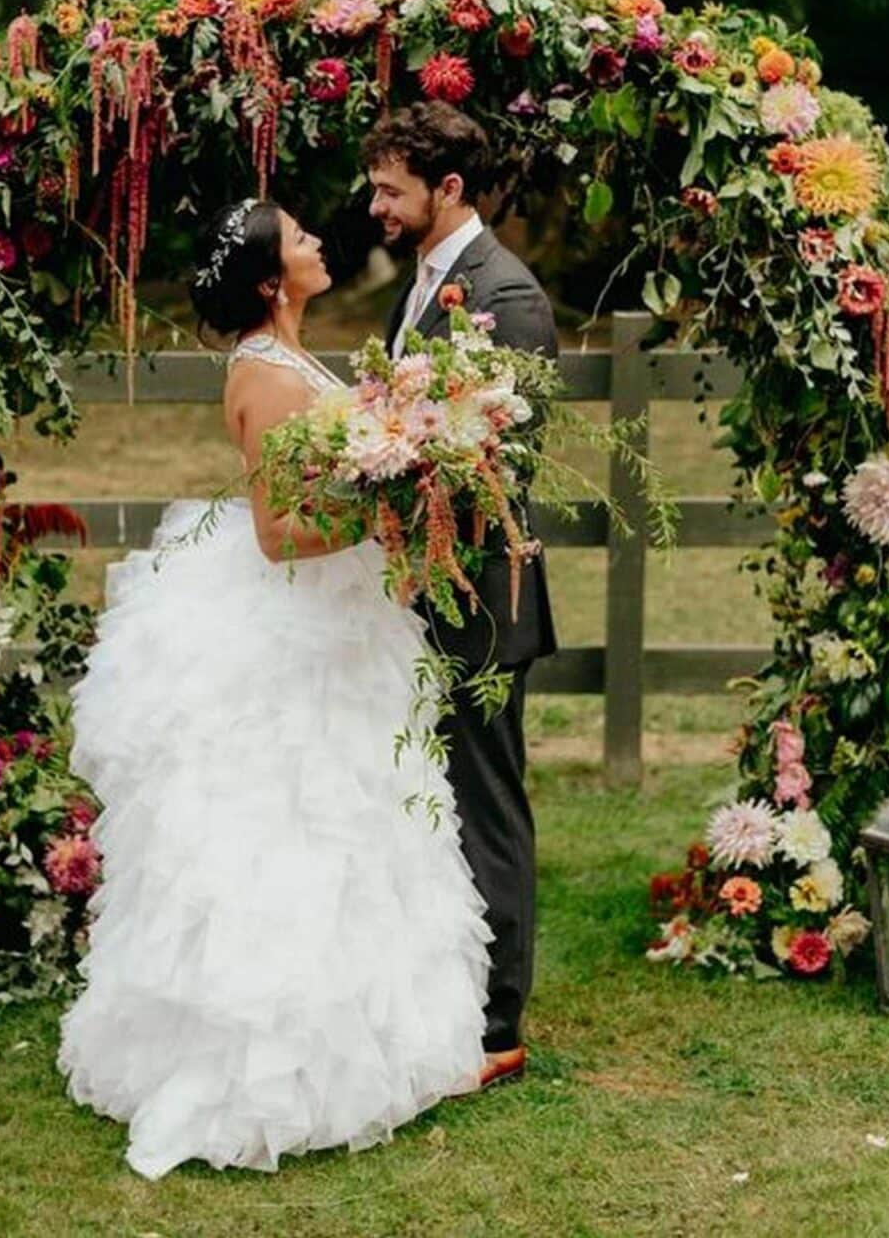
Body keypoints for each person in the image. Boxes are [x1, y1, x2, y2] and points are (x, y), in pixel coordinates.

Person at [57, 198, 490, 1179]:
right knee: (293, 830)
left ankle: (372, 1037)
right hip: (295, 631)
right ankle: (270, 1065)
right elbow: (278, 535)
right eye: (298, 240)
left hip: (336, 623)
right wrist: (383, 516)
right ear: (268, 280)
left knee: (357, 829)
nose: (317, 246)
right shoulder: (264, 375)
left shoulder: (291, 358)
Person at [366, 100, 558, 1089]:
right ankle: (441, 990)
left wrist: (395, 463)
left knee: (486, 800)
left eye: (392, 188)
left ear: (448, 189)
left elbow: (502, 460)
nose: (376, 205)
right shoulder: (427, 283)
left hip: (482, 589)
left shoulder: (507, 295)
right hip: (423, 583)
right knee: (429, 794)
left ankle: (498, 1025)